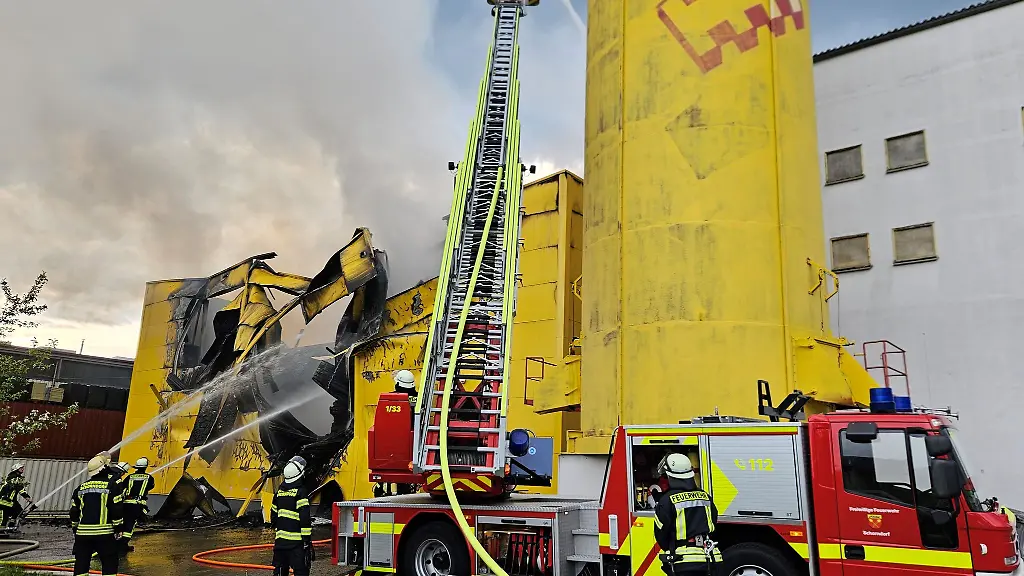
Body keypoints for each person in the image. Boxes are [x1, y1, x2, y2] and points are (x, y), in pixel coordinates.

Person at [654, 454, 723, 576]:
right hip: (712, 558)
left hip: (685, 562)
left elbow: (661, 534)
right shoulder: (705, 496)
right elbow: (713, 522)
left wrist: (673, 547)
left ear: (670, 477)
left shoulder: (666, 501)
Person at [70, 454, 123, 576]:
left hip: (83, 535)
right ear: (104, 468)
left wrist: (75, 528)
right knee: (109, 563)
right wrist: (118, 528)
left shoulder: (81, 488)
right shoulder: (111, 486)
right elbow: (116, 509)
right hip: (104, 534)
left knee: (81, 565)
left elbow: (74, 512)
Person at [271, 455, 313, 576]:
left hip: (280, 543)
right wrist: (306, 541)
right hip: (296, 545)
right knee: (301, 571)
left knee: (279, 571)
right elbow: (305, 519)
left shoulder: (279, 492)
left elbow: (273, 515)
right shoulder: (300, 492)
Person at [118, 457, 155, 555]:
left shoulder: (129, 477)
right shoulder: (149, 478)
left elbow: (123, 488)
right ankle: (122, 546)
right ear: (145, 467)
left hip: (125, 504)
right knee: (130, 526)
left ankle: (120, 543)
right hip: (137, 505)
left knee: (123, 523)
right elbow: (151, 486)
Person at [0, 463, 34, 530]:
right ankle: (1, 532)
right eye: (21, 468)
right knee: (3, 518)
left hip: (11, 501)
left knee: (18, 512)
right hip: (4, 501)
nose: (23, 469)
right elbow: (19, 488)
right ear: (16, 469)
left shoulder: (14, 477)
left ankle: (11, 528)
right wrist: (27, 497)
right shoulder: (14, 478)